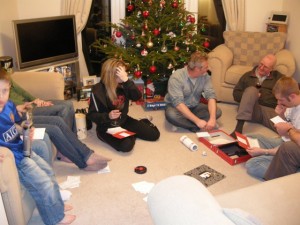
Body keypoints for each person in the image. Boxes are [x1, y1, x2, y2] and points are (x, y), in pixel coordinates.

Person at [0, 70, 76, 225]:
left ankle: (57, 206)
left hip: (24, 148)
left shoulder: (9, 106)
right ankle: (55, 219)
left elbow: (18, 124)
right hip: (16, 160)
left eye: (4, 91)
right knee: (43, 183)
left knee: (48, 172)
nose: (1, 97)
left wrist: (26, 129)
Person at [87, 58, 160, 152]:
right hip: (107, 126)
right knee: (126, 146)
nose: (124, 75)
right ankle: (129, 135)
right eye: (121, 74)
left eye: (124, 73)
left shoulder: (124, 84)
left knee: (154, 135)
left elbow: (137, 97)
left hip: (124, 120)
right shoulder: (97, 90)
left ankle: (138, 126)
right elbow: (92, 115)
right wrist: (108, 116)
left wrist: (126, 80)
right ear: (112, 75)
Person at [245, 76, 300, 180]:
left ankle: (293, 173)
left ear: (292, 96)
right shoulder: (290, 105)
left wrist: (264, 151)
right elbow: (283, 134)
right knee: (251, 138)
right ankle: (275, 160)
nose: (278, 103)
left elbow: (290, 147)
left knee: (252, 165)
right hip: (283, 143)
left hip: (291, 150)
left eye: (281, 100)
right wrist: (281, 115)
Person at [164, 51, 222, 132]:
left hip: (194, 106)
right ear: (197, 69)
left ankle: (187, 123)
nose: (208, 68)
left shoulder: (205, 76)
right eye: (206, 67)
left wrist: (212, 119)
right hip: (177, 108)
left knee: (217, 111)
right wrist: (197, 121)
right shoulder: (176, 78)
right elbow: (178, 104)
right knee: (171, 115)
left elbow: (211, 95)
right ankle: (196, 125)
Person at [230, 54, 284, 137]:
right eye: (261, 64)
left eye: (265, 67)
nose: (261, 68)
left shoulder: (279, 78)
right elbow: (236, 94)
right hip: (250, 110)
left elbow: (285, 95)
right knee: (252, 90)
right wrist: (250, 96)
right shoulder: (247, 75)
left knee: (284, 129)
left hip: (268, 111)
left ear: (272, 69)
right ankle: (238, 129)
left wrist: (261, 97)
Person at [10, 77, 77, 133]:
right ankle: (65, 141)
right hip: (25, 109)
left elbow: (22, 92)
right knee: (63, 109)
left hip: (30, 103)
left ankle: (73, 139)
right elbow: (10, 106)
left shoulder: (5, 76)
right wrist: (32, 103)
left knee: (69, 104)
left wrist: (36, 100)